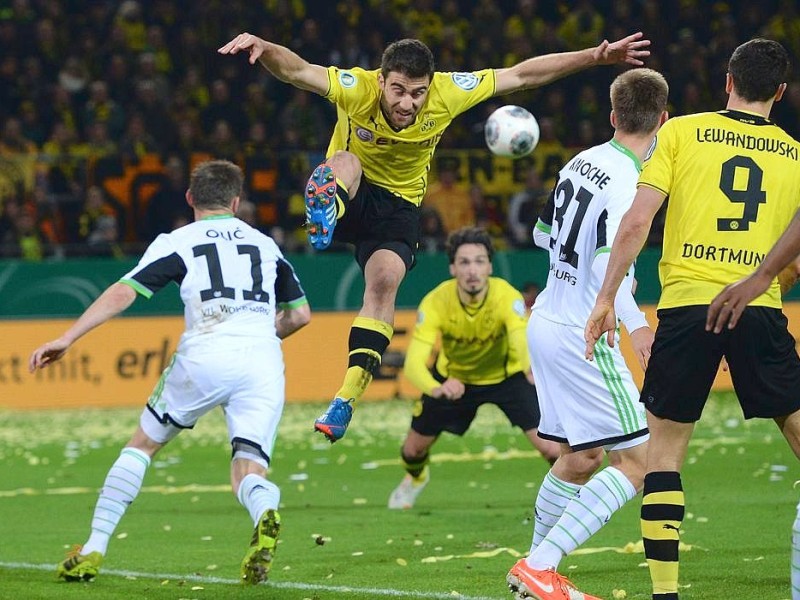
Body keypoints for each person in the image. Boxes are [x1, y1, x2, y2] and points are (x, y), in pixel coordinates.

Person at [219, 29, 650, 443]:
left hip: (400, 208)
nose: (408, 102)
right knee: (345, 162)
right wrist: (265, 46)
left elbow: (520, 75)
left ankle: (343, 400)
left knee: (384, 281)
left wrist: (594, 57)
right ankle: (325, 208)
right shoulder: (357, 87)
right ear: (382, 81)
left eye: (418, 92)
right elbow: (299, 71)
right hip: (355, 188)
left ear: (430, 86)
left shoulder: (449, 92)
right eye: (399, 91)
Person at [585, 39, 800, 600]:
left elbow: (636, 222)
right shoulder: (795, 155)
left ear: (726, 80)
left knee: (663, 455)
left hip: (685, 309)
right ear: (780, 92)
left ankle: (665, 592)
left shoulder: (679, 133)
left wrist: (607, 297)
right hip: (757, 308)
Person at [29, 160, 311, 585]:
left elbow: (126, 290)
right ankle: (265, 507)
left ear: (190, 198)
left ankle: (93, 547)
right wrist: (255, 335)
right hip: (262, 360)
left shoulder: (179, 240)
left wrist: (68, 337)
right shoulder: (265, 244)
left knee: (142, 446)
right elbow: (301, 314)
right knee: (248, 467)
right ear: (236, 202)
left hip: (205, 352)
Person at [507, 68, 669, 600]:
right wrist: (640, 326)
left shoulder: (580, 162)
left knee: (581, 457)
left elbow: (541, 233)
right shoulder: (631, 184)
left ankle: (531, 568)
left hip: (547, 321)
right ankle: (541, 565)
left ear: (613, 115)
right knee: (639, 461)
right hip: (585, 333)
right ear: (662, 121)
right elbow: (608, 268)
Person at [387, 226, 560, 510]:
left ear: (490, 266)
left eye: (479, 261)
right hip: (455, 380)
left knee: (552, 450)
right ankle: (416, 479)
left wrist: (530, 369)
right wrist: (437, 387)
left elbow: (520, 337)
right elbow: (414, 362)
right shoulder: (435, 302)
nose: (472, 271)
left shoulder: (507, 296)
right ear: (453, 268)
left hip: (506, 378)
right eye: (464, 262)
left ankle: (567, 498)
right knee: (412, 451)